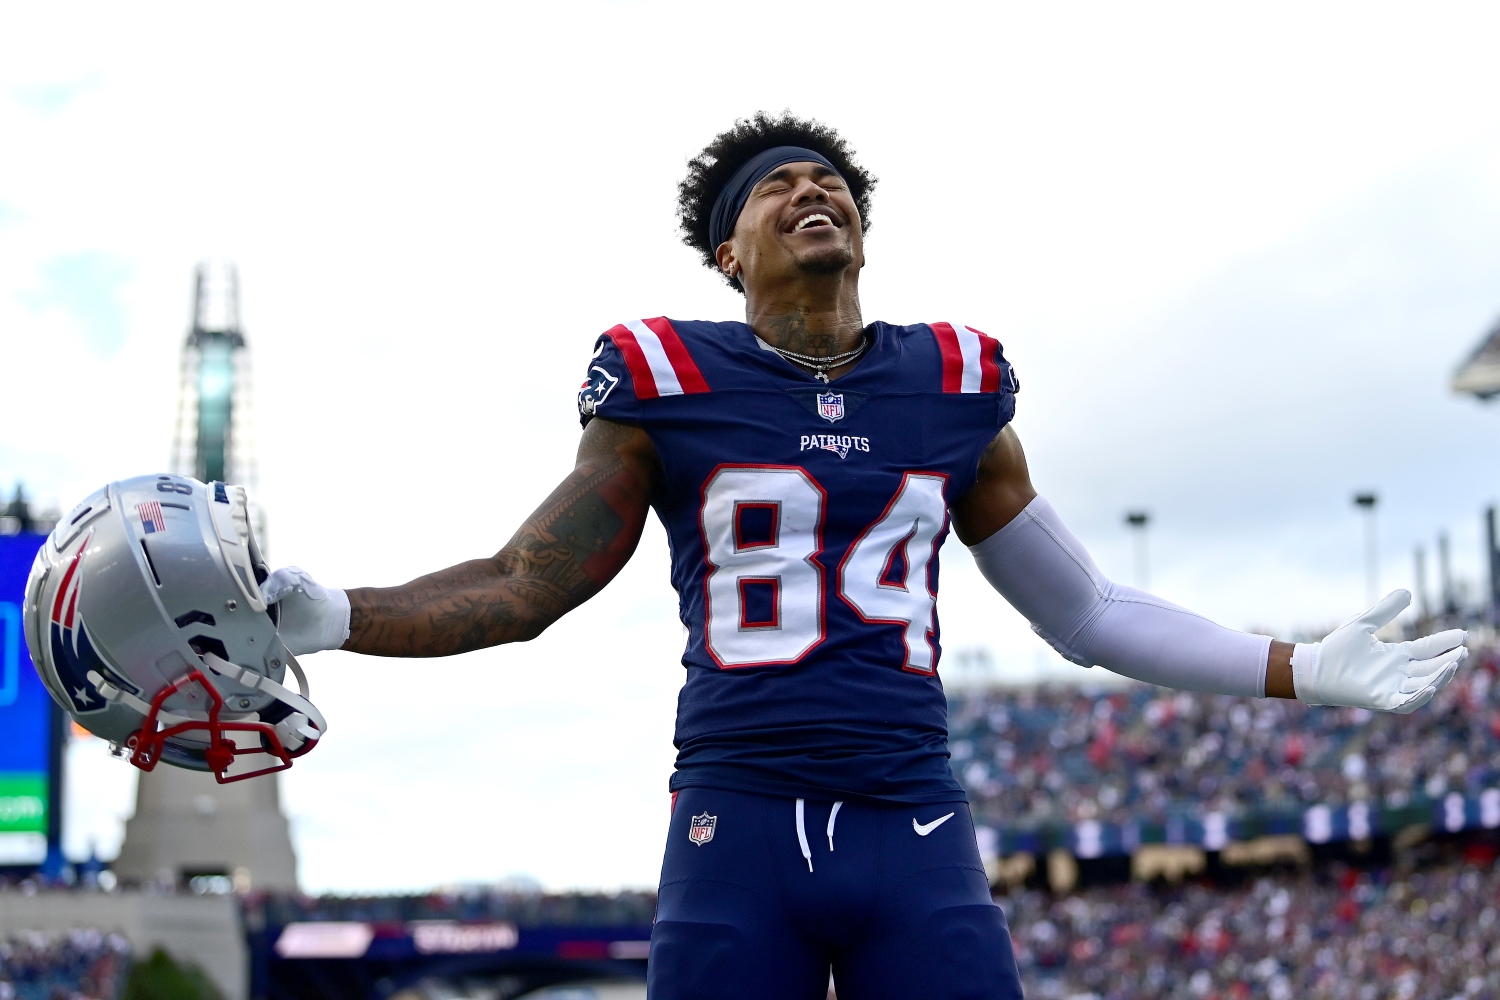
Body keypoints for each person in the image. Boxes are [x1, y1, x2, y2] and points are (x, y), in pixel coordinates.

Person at [264, 112, 1468, 999]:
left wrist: (1297, 667)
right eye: (776, 186)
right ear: (728, 254)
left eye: (828, 180)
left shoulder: (949, 383)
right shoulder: (666, 380)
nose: (809, 192)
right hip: (734, 821)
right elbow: (527, 582)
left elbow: (1087, 611)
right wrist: (335, 613)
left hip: (913, 820)